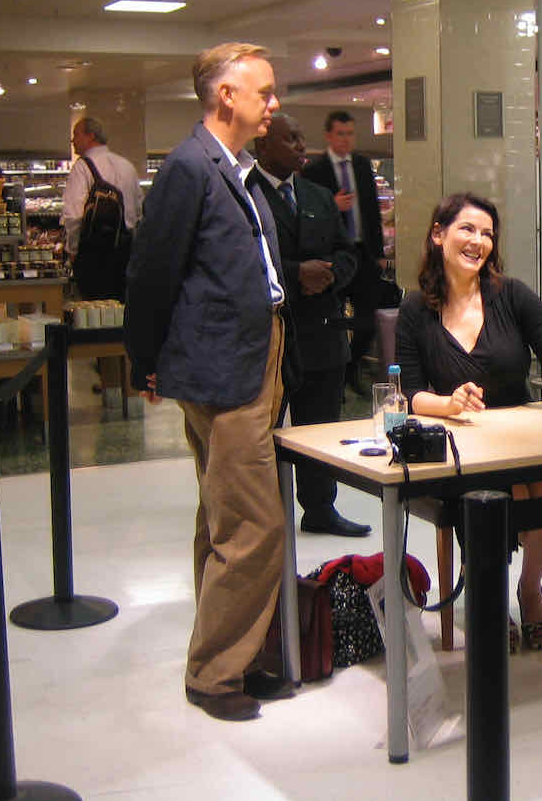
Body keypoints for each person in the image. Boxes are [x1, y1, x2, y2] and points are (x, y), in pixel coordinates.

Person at [125, 42, 297, 722]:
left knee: (225, 516)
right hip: (223, 368)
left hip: (255, 354)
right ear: (226, 95)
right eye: (265, 91)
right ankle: (217, 672)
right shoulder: (190, 168)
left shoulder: (236, 170)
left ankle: (237, 651)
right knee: (255, 523)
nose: (273, 104)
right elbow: (150, 273)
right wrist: (147, 360)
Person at [395, 192, 542, 651]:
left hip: (521, 435)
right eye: (467, 230)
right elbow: (410, 394)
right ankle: (487, 594)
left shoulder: (511, 294)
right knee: (504, 491)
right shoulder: (416, 309)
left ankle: (528, 587)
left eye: (488, 234)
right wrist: (450, 404)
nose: (479, 241)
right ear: (439, 235)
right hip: (461, 443)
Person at [253, 112, 372, 538]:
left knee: (321, 425)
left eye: (302, 138)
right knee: (263, 432)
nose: (301, 146)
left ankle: (320, 507)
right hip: (271, 338)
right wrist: (295, 273)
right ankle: (265, 516)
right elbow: (244, 263)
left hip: (322, 330)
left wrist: (330, 275)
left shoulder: (319, 196)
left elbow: (347, 252)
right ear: (263, 146)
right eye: (291, 139)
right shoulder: (245, 197)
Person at [301, 110, 386, 397]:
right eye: (340, 134)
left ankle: (352, 367)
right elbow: (306, 216)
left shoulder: (362, 166)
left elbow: (372, 210)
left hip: (363, 252)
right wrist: (331, 205)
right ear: (328, 136)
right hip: (332, 256)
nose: (346, 140)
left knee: (369, 318)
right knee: (331, 318)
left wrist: (379, 251)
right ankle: (334, 372)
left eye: (350, 134)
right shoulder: (314, 171)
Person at [61, 116, 142, 300]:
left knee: (95, 313)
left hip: (94, 254)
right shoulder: (127, 165)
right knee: (121, 310)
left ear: (90, 136)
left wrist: (73, 251)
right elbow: (138, 210)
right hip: (126, 252)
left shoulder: (82, 168)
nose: (73, 140)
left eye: (76, 134)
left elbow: (74, 216)